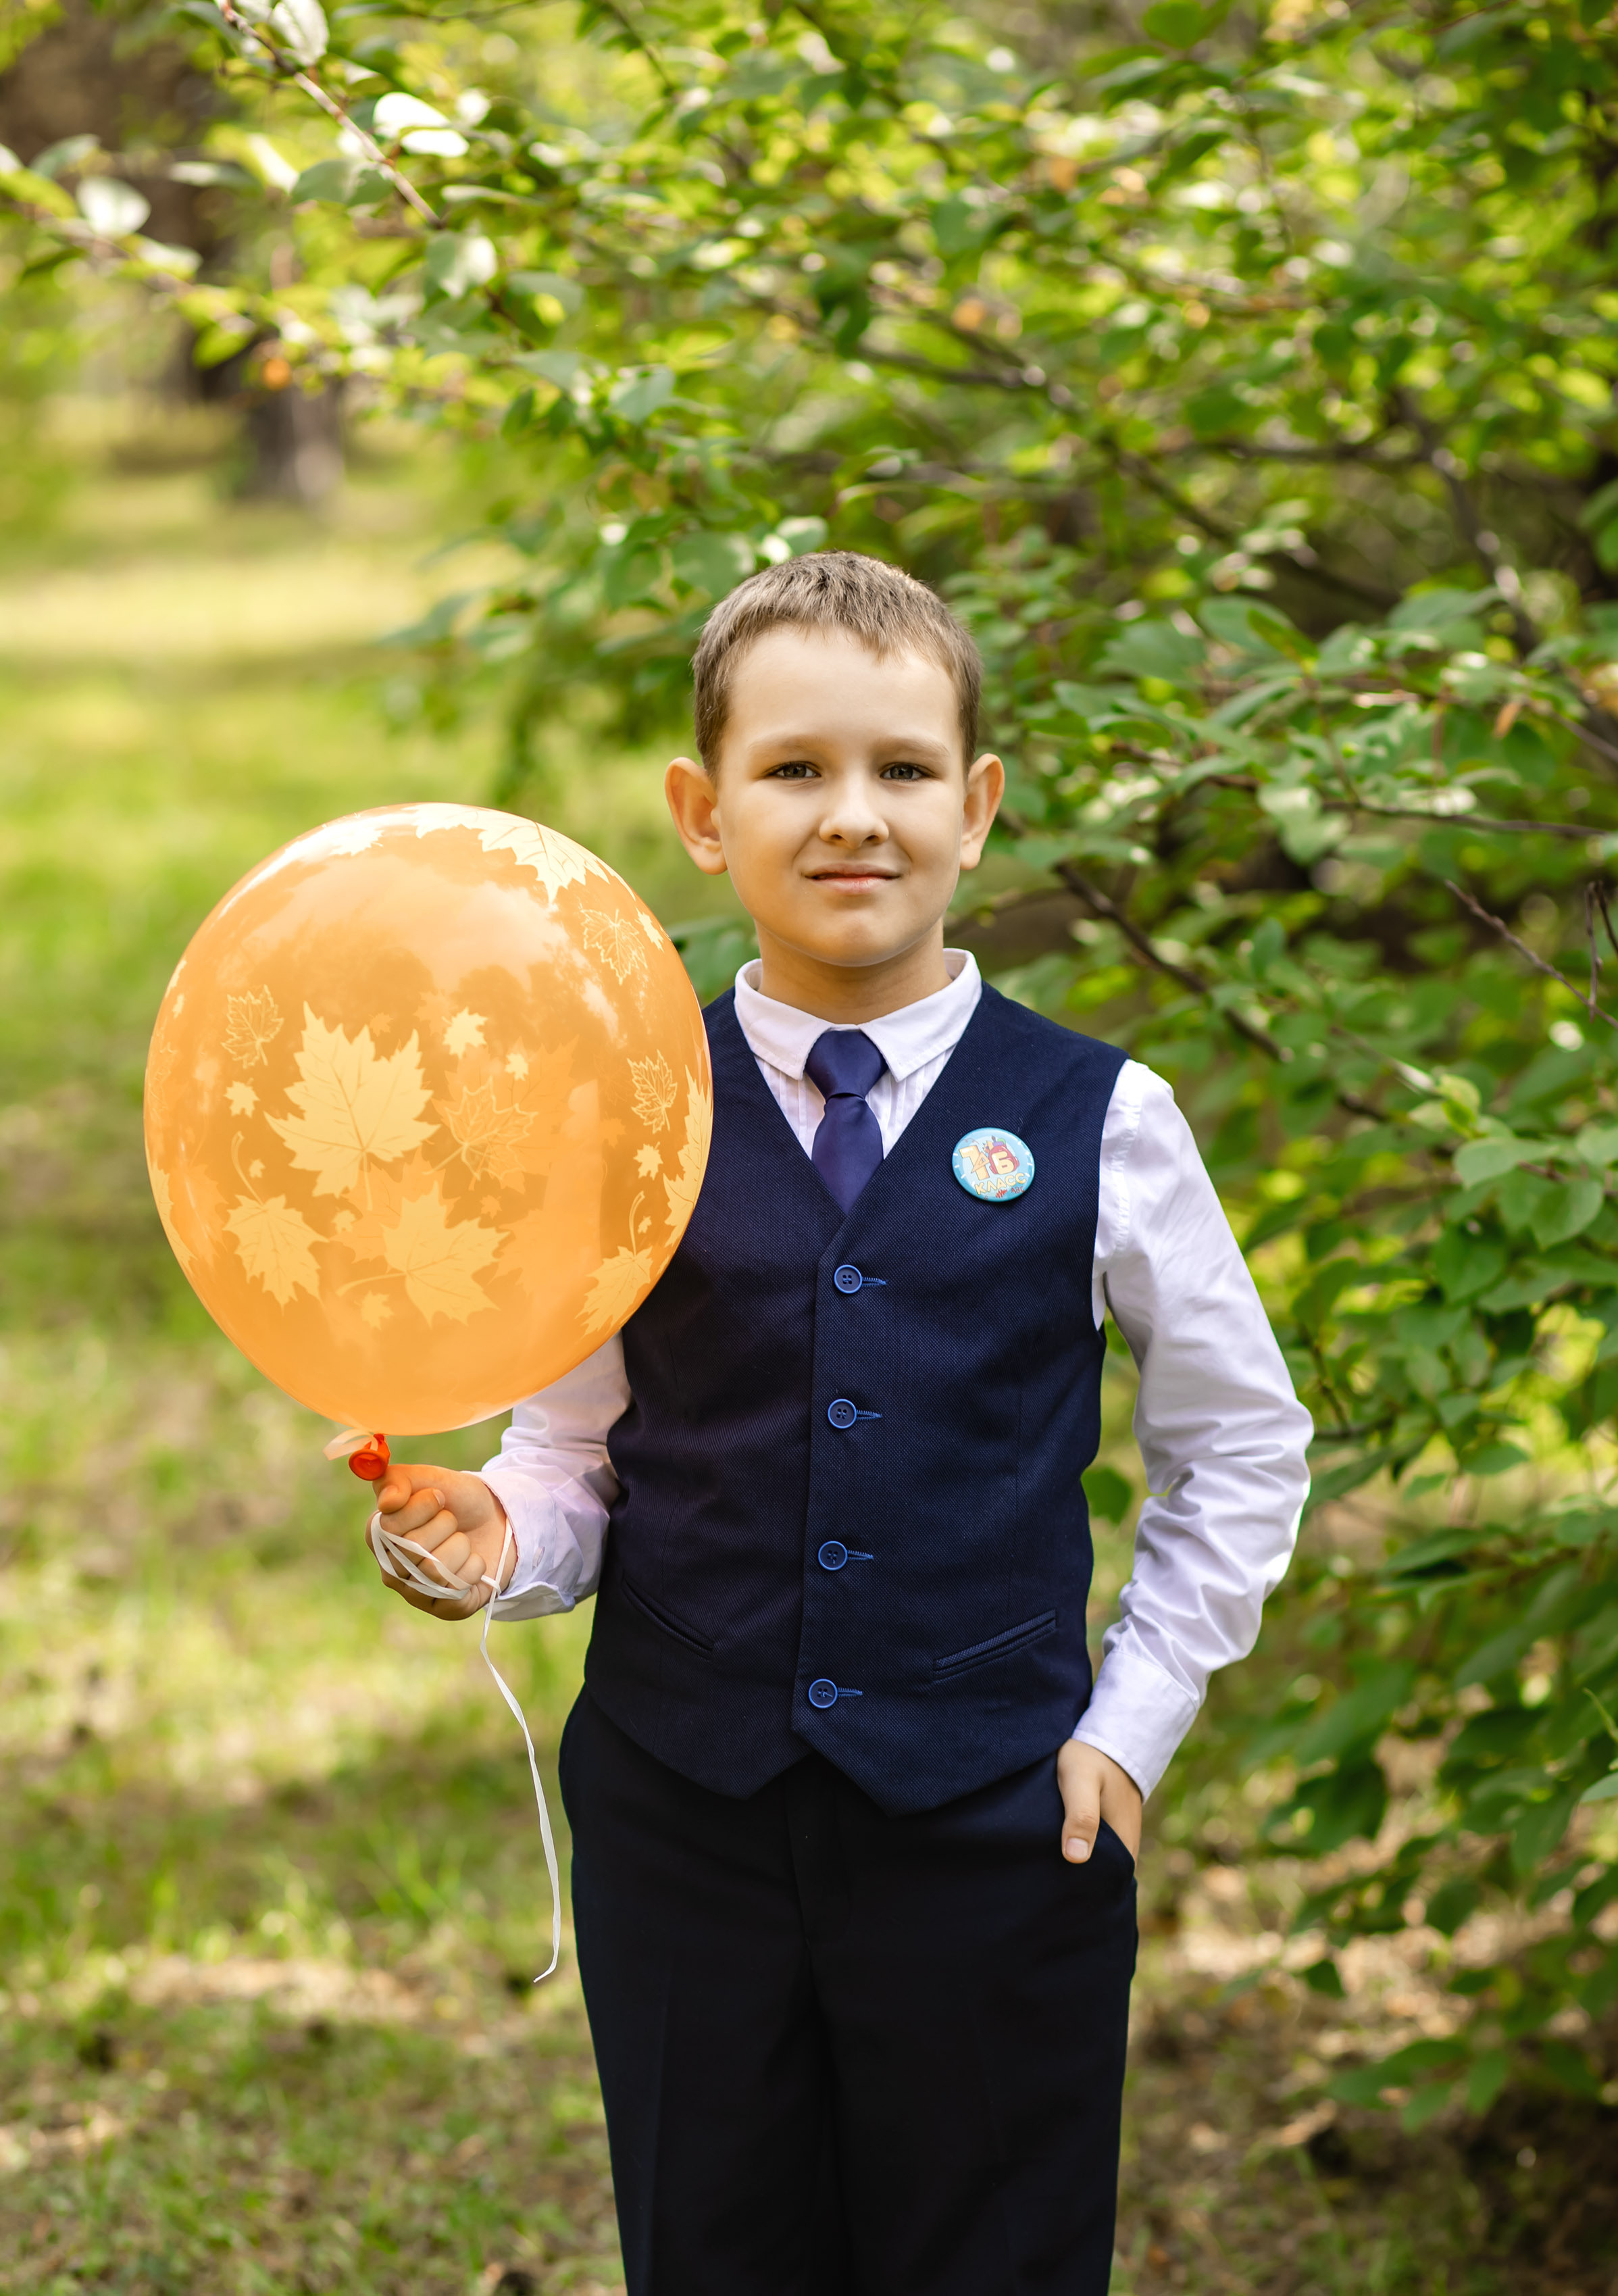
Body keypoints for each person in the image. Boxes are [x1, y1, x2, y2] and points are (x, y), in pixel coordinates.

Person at [367, 552, 1312, 2296]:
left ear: (978, 806)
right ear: (701, 813)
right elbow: (569, 1456)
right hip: (684, 1817)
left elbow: (1238, 1444)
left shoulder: (1103, 1118)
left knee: (994, 2257)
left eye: (898, 771)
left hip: (997, 1823)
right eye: (792, 771)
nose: (849, 816)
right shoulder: (624, 1112)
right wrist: (493, 1545)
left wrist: (1130, 1725)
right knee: (717, 2249)